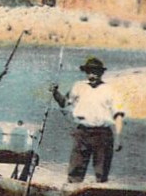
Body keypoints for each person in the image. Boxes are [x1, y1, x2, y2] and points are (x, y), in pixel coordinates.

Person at [51, 56, 125, 184]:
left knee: (101, 170)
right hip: (82, 133)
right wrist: (55, 93)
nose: (92, 75)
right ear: (86, 72)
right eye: (89, 72)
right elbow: (64, 103)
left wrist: (118, 137)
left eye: (95, 72)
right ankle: (73, 191)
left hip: (102, 134)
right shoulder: (78, 86)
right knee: (76, 167)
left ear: (101, 73)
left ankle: (99, 195)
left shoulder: (110, 90)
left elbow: (118, 115)